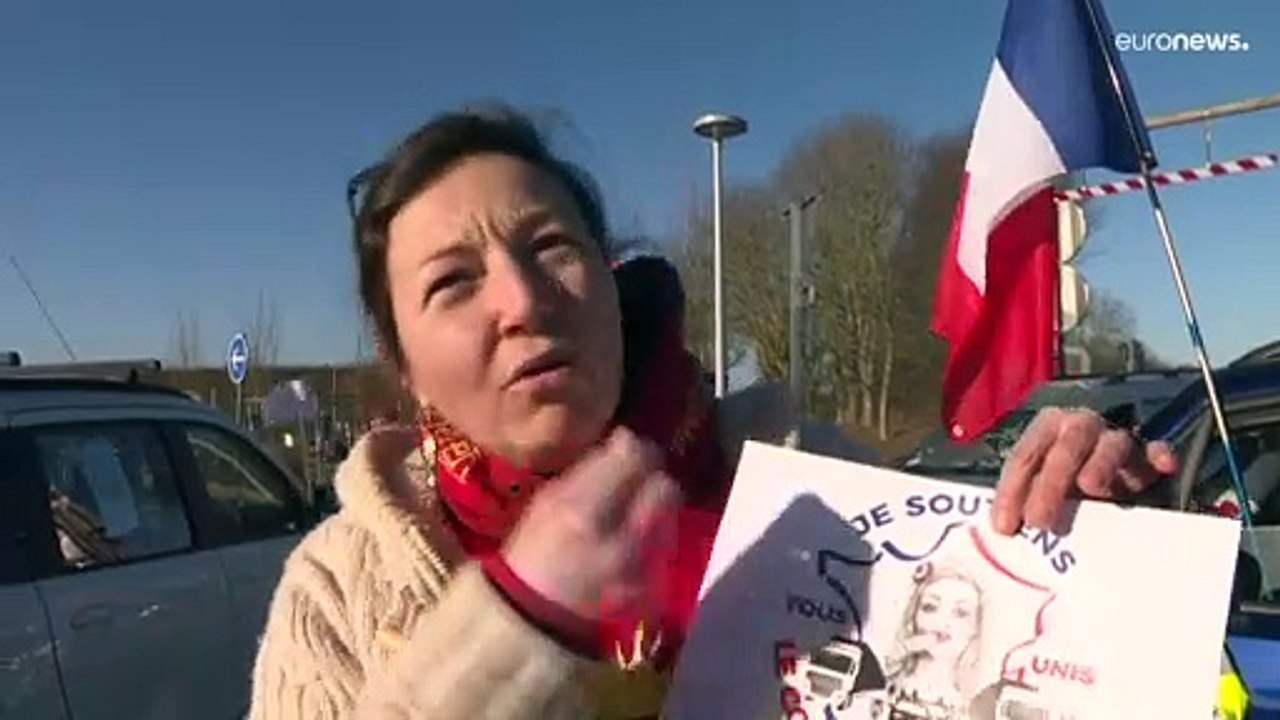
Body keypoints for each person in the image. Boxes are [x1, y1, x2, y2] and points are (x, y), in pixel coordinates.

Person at [247, 105, 1176, 720]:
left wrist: (1084, 539)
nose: (522, 301)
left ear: (610, 284)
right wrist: (518, 626)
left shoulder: (817, 483)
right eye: (453, 282)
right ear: (404, 367)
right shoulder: (337, 591)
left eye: (551, 247)